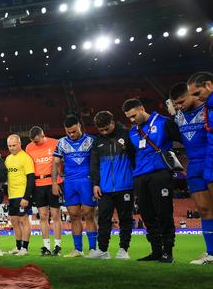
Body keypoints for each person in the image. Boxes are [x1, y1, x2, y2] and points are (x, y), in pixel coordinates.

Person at [123, 98, 181, 263]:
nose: (132, 120)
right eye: (129, 118)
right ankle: (156, 251)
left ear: (142, 108)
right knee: (147, 214)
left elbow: (181, 138)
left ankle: (167, 252)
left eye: (134, 115)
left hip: (160, 173)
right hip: (140, 176)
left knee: (164, 213)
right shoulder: (133, 132)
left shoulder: (164, 122)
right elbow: (132, 155)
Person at [175, 78, 213, 264]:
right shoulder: (177, 118)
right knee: (204, 210)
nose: (179, 107)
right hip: (193, 166)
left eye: (181, 102)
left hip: (209, 161)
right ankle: (211, 253)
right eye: (176, 104)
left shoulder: (207, 109)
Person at [87, 111, 134, 260]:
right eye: (101, 130)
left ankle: (123, 250)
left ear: (112, 123)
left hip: (125, 186)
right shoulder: (97, 141)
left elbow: (135, 158)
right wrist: (95, 184)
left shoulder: (127, 136)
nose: (104, 132)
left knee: (125, 219)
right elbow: (94, 164)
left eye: (106, 129)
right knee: (103, 219)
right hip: (104, 188)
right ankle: (102, 250)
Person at [52, 115, 97, 258]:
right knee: (73, 215)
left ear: (79, 127)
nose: (71, 135)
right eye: (68, 132)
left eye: (74, 131)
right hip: (70, 182)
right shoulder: (61, 143)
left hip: (86, 181)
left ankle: (93, 249)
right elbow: (55, 163)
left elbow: (97, 163)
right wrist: (54, 182)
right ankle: (78, 249)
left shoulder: (91, 141)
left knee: (88, 214)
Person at [26, 126, 63, 256]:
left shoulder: (55, 143)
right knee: (43, 216)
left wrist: (57, 181)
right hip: (38, 185)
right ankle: (46, 247)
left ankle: (57, 246)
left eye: (37, 141)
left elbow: (60, 163)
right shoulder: (29, 147)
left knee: (55, 215)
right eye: (33, 141)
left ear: (43, 135)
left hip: (53, 183)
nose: (35, 143)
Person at [4, 134, 35, 256]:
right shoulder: (8, 159)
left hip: (22, 195)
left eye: (14, 145)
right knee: (14, 221)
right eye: (9, 146)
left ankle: (25, 248)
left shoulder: (26, 158)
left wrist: (26, 197)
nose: (11, 148)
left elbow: (31, 178)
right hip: (11, 196)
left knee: (24, 221)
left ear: (19, 143)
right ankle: (18, 246)